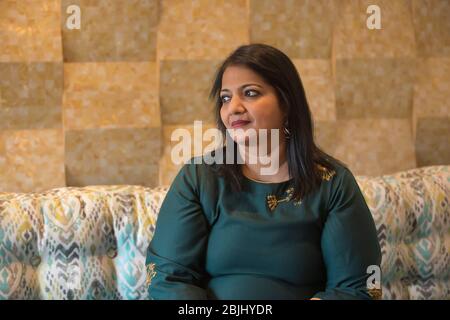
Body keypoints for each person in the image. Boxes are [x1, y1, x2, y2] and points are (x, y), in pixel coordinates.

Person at [145, 43, 381, 300]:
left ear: (286, 103)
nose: (233, 107)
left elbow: (359, 287)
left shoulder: (332, 183)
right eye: (225, 97)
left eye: (250, 93)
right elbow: (167, 278)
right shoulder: (199, 178)